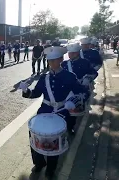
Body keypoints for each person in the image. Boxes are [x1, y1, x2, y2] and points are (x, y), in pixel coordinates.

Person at [18, 46, 89, 179]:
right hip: (45, 110)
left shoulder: (69, 76)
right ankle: (39, 162)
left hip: (62, 112)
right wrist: (26, 90)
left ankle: (51, 168)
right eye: (49, 60)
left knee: (54, 142)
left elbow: (83, 92)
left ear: (61, 59)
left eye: (54, 60)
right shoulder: (44, 77)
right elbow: (36, 93)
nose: (51, 63)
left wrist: (73, 101)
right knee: (35, 134)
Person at [61, 42, 98, 134]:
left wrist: (87, 78)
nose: (69, 55)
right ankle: (65, 126)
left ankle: (71, 127)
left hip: (79, 88)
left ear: (77, 53)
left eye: (72, 53)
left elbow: (94, 73)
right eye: (69, 53)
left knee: (74, 111)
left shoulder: (85, 62)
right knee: (64, 109)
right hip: (66, 90)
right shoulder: (64, 64)